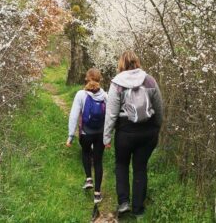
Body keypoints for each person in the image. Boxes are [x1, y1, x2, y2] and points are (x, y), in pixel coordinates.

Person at [103, 51, 163, 217]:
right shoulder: (150, 80)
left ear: (121, 64)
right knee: (140, 168)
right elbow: (159, 107)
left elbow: (112, 113)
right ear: (137, 62)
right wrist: (157, 126)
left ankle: (123, 203)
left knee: (121, 165)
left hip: (125, 133)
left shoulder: (117, 83)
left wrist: (107, 137)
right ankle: (138, 210)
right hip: (148, 132)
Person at [66, 68, 108, 204]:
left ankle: (89, 179)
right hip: (100, 133)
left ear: (87, 78)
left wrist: (70, 135)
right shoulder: (105, 96)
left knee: (85, 152)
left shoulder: (80, 95)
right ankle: (97, 194)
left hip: (86, 133)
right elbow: (110, 117)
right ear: (99, 79)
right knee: (98, 161)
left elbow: (73, 115)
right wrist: (108, 136)